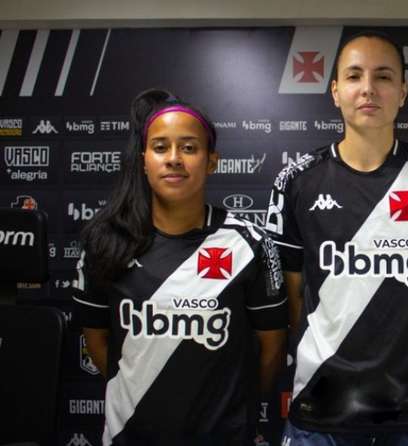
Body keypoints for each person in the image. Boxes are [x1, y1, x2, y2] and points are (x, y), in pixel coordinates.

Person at [265, 31, 408, 444]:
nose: (369, 89)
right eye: (354, 76)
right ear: (335, 91)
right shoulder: (297, 181)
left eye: (383, 77)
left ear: (403, 92)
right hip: (321, 406)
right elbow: (294, 298)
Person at [72, 89, 287, 446]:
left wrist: (228, 411)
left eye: (189, 148)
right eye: (160, 148)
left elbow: (272, 347)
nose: (174, 159)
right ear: (143, 160)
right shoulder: (105, 243)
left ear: (212, 160)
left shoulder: (248, 244)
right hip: (130, 436)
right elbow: (97, 342)